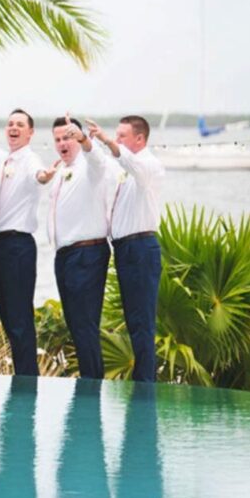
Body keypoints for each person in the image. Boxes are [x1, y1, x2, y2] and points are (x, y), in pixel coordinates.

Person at [87, 116, 164, 382]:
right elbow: (103, 161)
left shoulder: (150, 166)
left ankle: (145, 385)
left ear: (139, 139)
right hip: (123, 249)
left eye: (122, 136)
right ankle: (142, 381)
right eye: (116, 135)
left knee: (142, 322)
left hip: (141, 247)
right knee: (134, 320)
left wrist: (108, 142)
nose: (116, 140)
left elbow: (131, 163)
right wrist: (86, 140)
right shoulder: (124, 168)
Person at [0, 109, 53, 376]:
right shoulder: (4, 159)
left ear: (30, 132)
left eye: (20, 124)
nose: (14, 128)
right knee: (8, 318)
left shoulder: (30, 159)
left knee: (19, 318)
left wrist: (45, 176)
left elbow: (39, 174)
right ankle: (21, 375)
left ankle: (27, 379)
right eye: (10, 124)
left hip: (17, 245)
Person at [50, 115, 115, 380]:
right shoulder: (61, 170)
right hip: (64, 256)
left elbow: (98, 161)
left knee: (86, 325)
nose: (63, 143)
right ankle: (89, 382)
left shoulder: (90, 166)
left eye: (67, 137)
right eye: (58, 139)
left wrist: (85, 139)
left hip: (86, 254)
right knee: (76, 325)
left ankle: (92, 386)